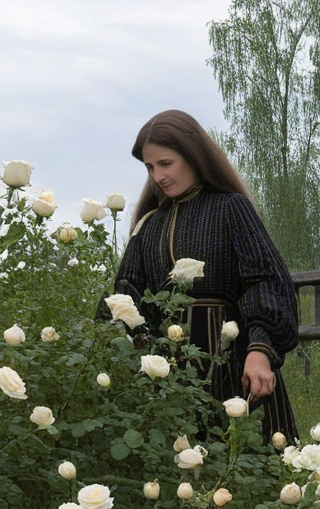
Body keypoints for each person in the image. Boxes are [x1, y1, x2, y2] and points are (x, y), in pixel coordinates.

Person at [105, 109, 299, 442]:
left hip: (233, 365)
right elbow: (126, 299)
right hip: (167, 377)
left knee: (247, 466)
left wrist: (260, 351)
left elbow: (264, 282)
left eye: (166, 164)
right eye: (150, 168)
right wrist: (110, 356)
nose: (158, 176)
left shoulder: (230, 208)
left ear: (193, 156)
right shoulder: (148, 225)